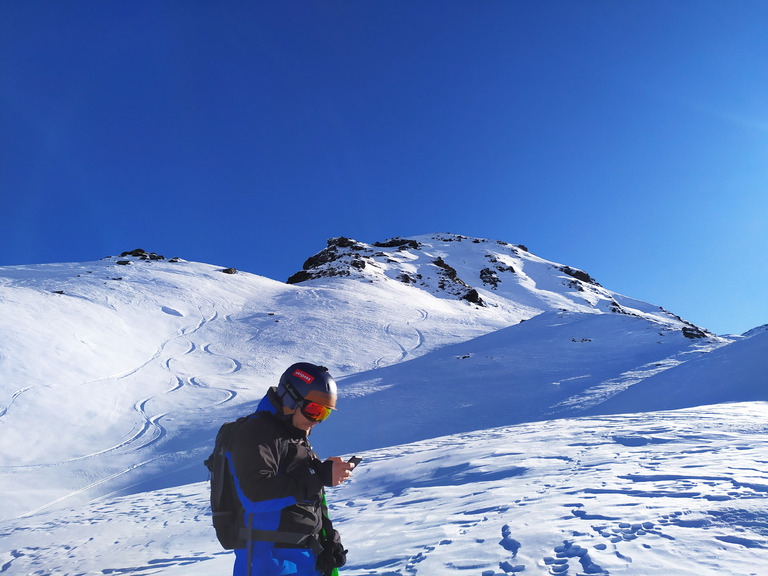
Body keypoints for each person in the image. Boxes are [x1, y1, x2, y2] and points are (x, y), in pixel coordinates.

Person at [228, 362, 353, 576]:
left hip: (305, 562)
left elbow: (310, 501)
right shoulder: (256, 434)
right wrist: (319, 475)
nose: (317, 421)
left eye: (325, 414)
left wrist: (329, 540)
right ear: (290, 398)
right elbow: (255, 495)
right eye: (313, 410)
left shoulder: (295, 441)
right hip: (270, 564)